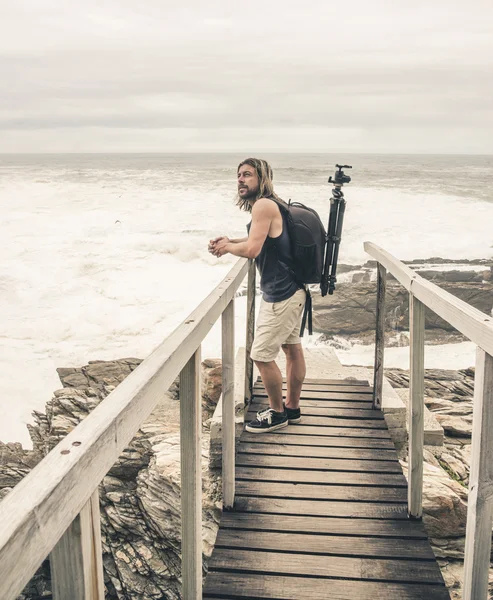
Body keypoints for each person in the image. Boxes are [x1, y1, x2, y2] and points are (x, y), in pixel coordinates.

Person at [208, 158, 306, 433]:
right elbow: (257, 241)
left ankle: (277, 413)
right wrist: (230, 241)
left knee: (261, 355)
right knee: (291, 349)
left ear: (261, 178)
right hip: (294, 289)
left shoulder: (263, 205)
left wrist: (228, 248)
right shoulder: (274, 204)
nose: (240, 179)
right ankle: (293, 409)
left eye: (247, 175)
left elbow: (253, 251)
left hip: (281, 295)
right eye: (238, 175)